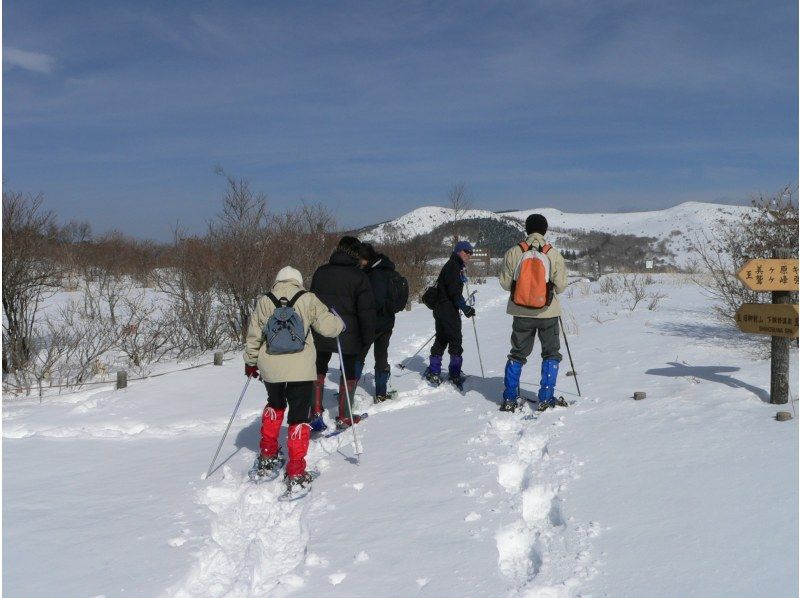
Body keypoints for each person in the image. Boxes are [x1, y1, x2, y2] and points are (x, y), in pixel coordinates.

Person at [243, 266, 344, 491]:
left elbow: (254, 335)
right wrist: (339, 322)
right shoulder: (308, 299)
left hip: (271, 367)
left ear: (277, 280)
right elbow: (329, 328)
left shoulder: (265, 300)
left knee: (275, 404)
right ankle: (296, 470)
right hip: (301, 369)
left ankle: (268, 454)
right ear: (298, 281)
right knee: (299, 416)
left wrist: (250, 362)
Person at [498, 214, 568, 412]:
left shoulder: (514, 252)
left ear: (526, 229)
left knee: (517, 354)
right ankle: (546, 397)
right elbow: (561, 286)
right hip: (547, 312)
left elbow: (505, 284)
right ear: (545, 230)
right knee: (551, 353)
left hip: (521, 312)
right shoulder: (553, 254)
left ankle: (510, 397)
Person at [310, 236, 376, 430]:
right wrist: (367, 338)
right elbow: (366, 311)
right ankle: (344, 416)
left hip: (320, 329)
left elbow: (311, 304)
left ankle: (315, 411)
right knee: (347, 371)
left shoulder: (320, 272)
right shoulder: (359, 277)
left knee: (318, 368)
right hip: (349, 333)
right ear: (355, 253)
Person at [424, 240, 476, 388]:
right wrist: (465, 308)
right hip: (448, 310)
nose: (469, 255)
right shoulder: (453, 266)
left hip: (441, 309)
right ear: (458, 251)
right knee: (455, 340)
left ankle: (434, 371)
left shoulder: (454, 265)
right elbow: (454, 292)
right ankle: (454, 374)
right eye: (466, 251)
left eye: (471, 253)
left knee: (441, 338)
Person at [356, 242, 397, 403]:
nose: (359, 262)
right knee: (381, 355)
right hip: (388, 321)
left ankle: (349, 391)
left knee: (359, 355)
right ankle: (381, 393)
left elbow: (377, 300)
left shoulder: (375, 274)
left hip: (373, 322)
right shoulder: (387, 268)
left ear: (366, 258)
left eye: (360, 259)